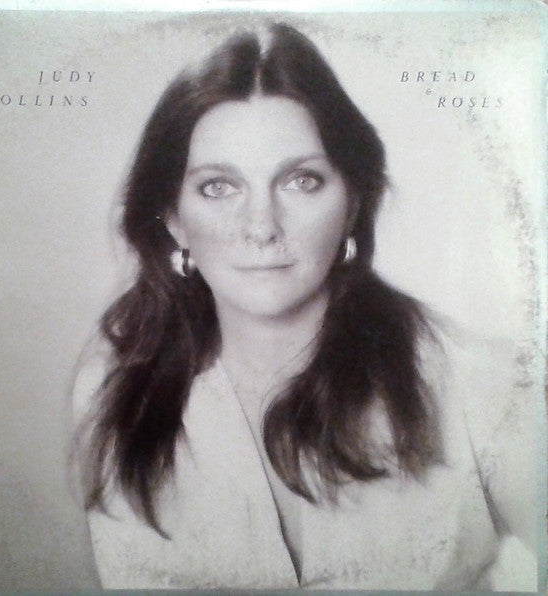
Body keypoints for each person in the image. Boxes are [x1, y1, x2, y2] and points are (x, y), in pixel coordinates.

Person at [72, 22, 537, 590]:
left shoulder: (479, 381)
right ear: (173, 218)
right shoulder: (113, 389)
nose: (261, 226)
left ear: (352, 203)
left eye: (301, 181)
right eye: (218, 186)